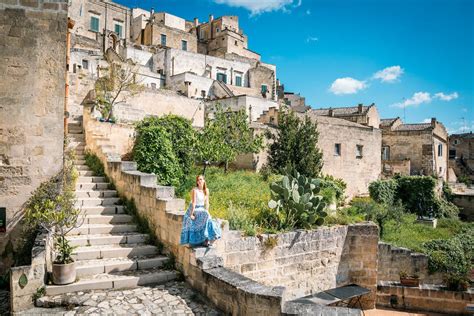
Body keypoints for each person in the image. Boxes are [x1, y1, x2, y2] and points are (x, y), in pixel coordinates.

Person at [180, 175, 221, 247]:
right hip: (194, 208)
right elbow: (193, 203)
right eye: (198, 180)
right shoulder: (194, 190)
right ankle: (206, 240)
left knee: (209, 218)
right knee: (205, 214)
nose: (199, 181)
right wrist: (191, 214)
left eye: (201, 179)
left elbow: (207, 202)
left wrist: (207, 211)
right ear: (197, 182)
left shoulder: (206, 190)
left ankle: (209, 238)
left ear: (204, 180)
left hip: (202, 208)